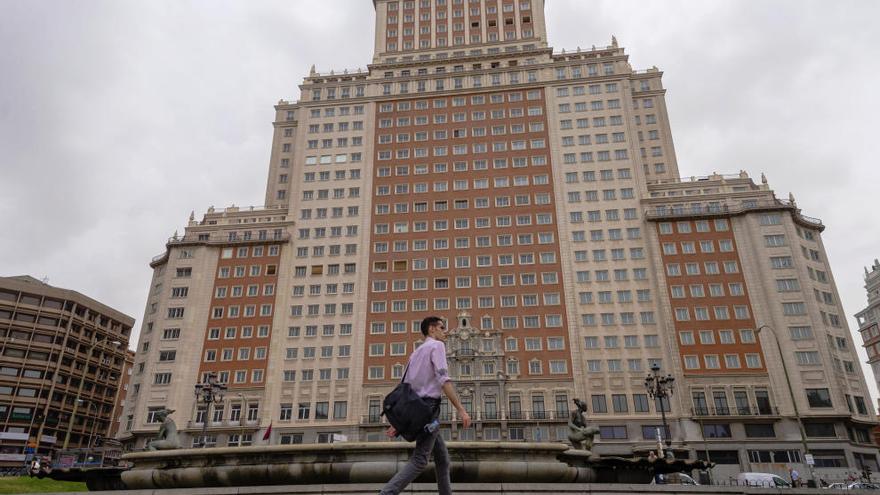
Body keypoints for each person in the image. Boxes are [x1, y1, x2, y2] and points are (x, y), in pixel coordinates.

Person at [380, 316, 472, 495]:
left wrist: (398, 422)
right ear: (432, 329)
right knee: (421, 460)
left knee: (442, 458)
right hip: (429, 411)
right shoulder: (437, 346)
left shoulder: (416, 352)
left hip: (417, 410)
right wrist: (461, 410)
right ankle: (387, 493)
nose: (445, 332)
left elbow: (405, 387)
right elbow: (444, 380)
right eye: (442, 327)